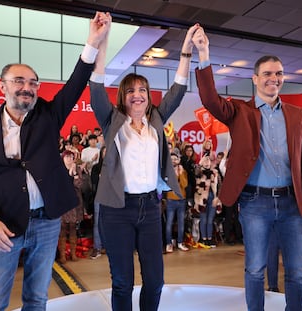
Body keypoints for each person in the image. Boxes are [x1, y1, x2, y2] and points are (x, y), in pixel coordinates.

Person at [0, 12, 109, 310]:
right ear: (1, 87)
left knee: (37, 299)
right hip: (1, 226)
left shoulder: (47, 117)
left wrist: (93, 41)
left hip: (46, 223)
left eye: (33, 82)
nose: (27, 87)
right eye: (18, 80)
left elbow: (76, 82)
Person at [192, 27, 302, 311]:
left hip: (293, 203)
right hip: (255, 202)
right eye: (267, 73)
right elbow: (210, 100)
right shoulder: (240, 112)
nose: (273, 78)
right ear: (255, 79)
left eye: (278, 73)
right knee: (254, 270)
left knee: (299, 272)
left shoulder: (298, 115)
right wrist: (203, 54)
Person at [89, 14, 200, 310]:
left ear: (149, 96)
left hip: (150, 208)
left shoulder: (156, 120)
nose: (137, 95)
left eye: (142, 90)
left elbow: (178, 89)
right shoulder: (112, 121)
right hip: (117, 211)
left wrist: (186, 49)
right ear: (123, 97)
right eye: (131, 90)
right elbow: (97, 86)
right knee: (122, 282)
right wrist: (103, 39)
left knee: (155, 281)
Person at [58, 150, 85, 264]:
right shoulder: (59, 170)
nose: (69, 159)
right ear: (63, 158)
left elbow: (79, 185)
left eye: (71, 156)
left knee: (73, 227)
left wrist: (74, 173)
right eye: (67, 157)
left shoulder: (77, 169)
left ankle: (73, 253)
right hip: (63, 202)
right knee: (62, 229)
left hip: (75, 202)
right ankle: (62, 255)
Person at [165, 152, 189, 253]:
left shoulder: (182, 170)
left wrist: (180, 174)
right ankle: (169, 243)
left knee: (181, 223)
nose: (174, 160)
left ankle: (180, 242)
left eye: (176, 159)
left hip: (181, 200)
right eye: (172, 159)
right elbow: (167, 185)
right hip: (171, 200)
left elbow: (185, 184)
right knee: (169, 223)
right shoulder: (167, 171)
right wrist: (174, 175)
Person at [89, 145, 106, 259]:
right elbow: (93, 181)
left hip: (112, 197)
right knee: (97, 222)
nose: (106, 154)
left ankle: (110, 246)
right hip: (99, 196)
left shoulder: (115, 166)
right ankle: (97, 247)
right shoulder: (96, 167)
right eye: (104, 152)